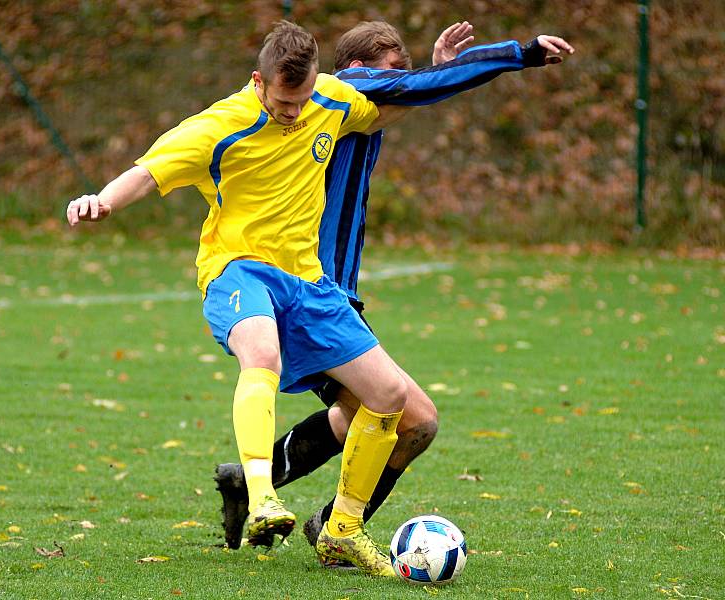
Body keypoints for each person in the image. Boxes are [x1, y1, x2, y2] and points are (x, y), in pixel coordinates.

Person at [66, 20, 439, 577]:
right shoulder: (219, 125)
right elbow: (148, 172)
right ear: (258, 81)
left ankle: (341, 531)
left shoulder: (330, 99)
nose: (293, 112)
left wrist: (438, 74)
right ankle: (264, 496)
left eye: (303, 98)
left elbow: (383, 111)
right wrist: (102, 201)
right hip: (238, 272)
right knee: (261, 352)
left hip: (310, 285)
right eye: (283, 101)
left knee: (391, 396)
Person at [213, 20, 575, 566]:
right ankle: (333, 527)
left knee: (370, 412)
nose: (398, 82)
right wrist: (518, 53)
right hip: (308, 293)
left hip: (331, 293)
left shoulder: (349, 107)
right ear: (359, 68)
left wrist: (439, 68)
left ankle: (261, 485)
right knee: (414, 419)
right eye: (393, 73)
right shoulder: (345, 89)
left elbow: (414, 95)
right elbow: (411, 90)